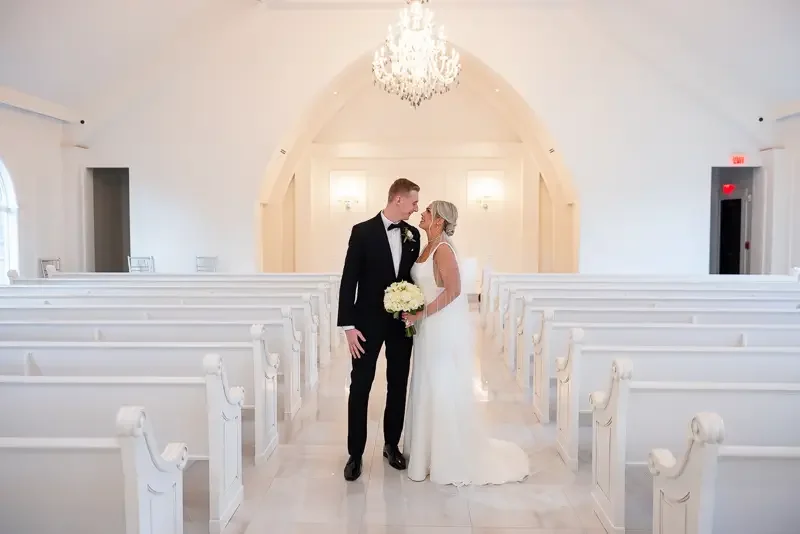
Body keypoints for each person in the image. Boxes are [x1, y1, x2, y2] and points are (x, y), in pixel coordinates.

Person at [401, 200, 530, 485]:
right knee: (425, 381)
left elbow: (454, 290)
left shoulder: (443, 249)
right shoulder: (426, 246)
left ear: (438, 221)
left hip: (439, 326)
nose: (422, 214)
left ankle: (446, 455)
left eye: (427, 212)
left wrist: (421, 312)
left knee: (440, 383)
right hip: (426, 327)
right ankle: (425, 451)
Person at [338, 178, 421, 481]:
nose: (416, 208)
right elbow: (349, 281)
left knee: (397, 385)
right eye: (413, 202)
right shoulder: (362, 232)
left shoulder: (413, 235)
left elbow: (413, 279)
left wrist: (415, 310)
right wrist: (348, 326)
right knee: (360, 387)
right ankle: (355, 454)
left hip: (401, 324)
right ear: (398, 199)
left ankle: (391, 444)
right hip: (366, 324)